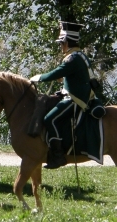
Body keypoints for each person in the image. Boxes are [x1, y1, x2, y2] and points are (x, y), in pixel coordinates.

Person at [30, 21, 93, 169]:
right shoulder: (78, 55)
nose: (60, 46)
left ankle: (58, 156)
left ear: (66, 42)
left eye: (61, 43)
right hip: (73, 94)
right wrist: (65, 79)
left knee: (49, 119)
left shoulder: (73, 58)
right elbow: (73, 76)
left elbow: (55, 73)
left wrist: (37, 78)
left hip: (76, 99)